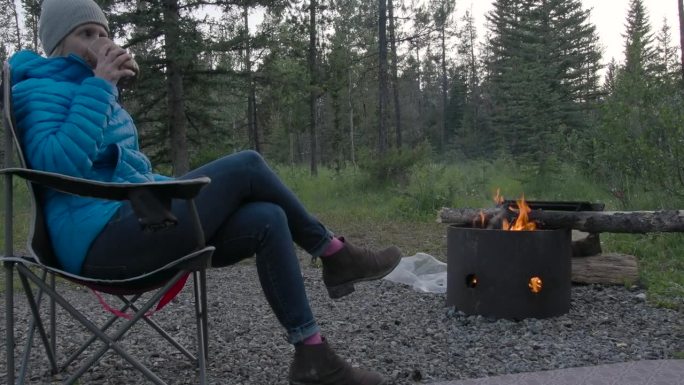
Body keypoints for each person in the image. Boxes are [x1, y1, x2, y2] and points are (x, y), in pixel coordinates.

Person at [8, 0, 403, 384]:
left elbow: (133, 176)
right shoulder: (37, 90)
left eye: (103, 33)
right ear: (58, 44)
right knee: (248, 164)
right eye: (86, 34)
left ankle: (313, 355)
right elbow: (56, 167)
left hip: (131, 223)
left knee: (269, 217)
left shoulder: (101, 93)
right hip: (96, 244)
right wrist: (99, 87)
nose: (99, 42)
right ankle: (334, 253)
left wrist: (167, 183)